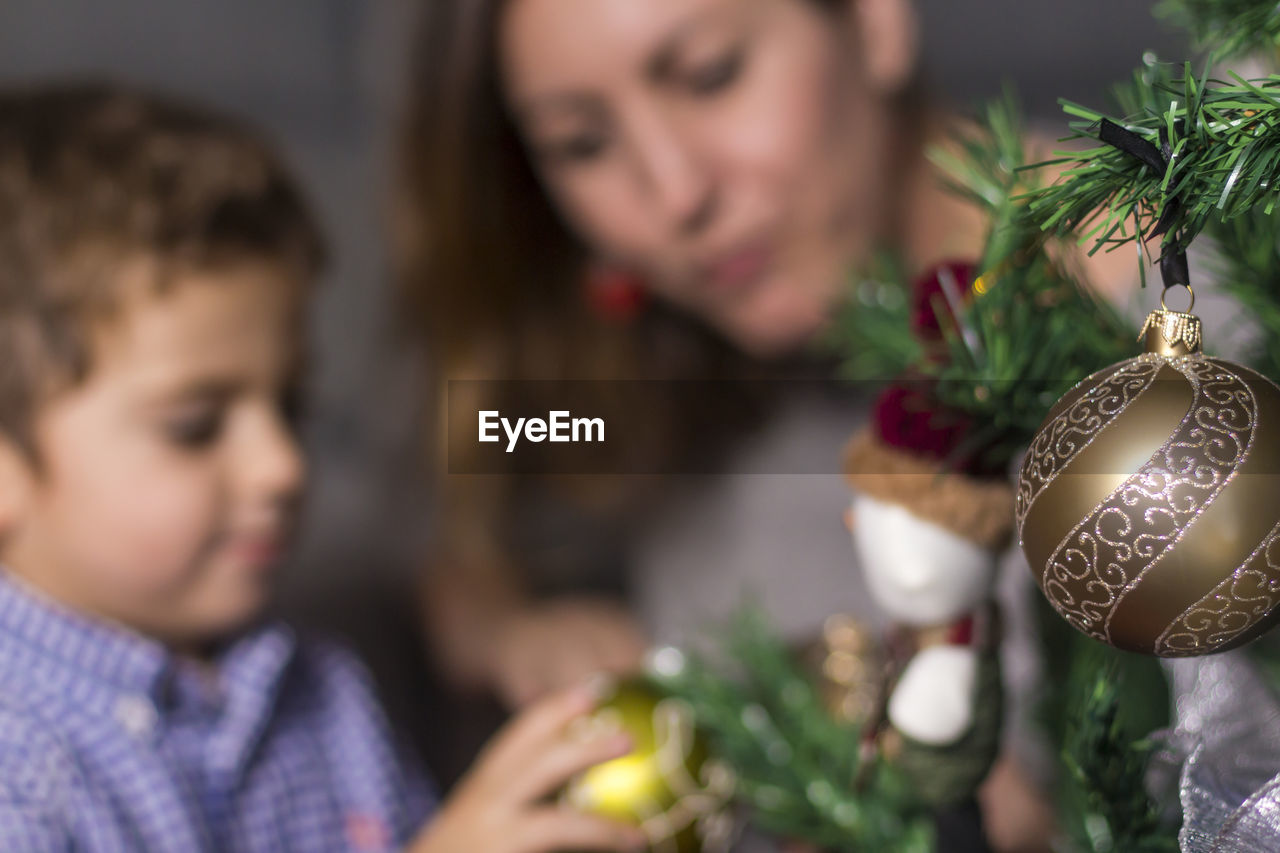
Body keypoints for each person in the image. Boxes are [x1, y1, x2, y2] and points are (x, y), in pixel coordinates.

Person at [400, 0, 1136, 847]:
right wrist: (510, 632)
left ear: (874, 21)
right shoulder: (643, 392)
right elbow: (455, 535)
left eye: (713, 76)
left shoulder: (1201, 320)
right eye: (581, 143)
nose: (677, 193)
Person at [0, 82, 647, 853]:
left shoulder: (327, 697)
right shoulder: (20, 767)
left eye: (292, 407)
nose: (282, 466)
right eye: (194, 427)